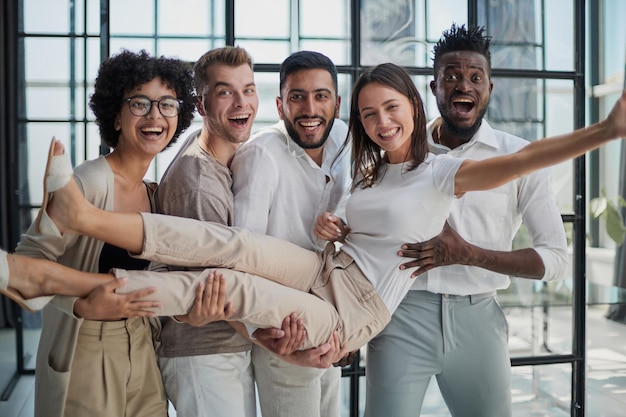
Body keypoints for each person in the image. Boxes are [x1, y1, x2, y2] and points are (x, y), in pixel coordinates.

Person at [5, 64, 626, 356]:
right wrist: (335, 225)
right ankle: (80, 217)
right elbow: (358, 227)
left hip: (351, 309)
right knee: (229, 246)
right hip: (325, 266)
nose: (380, 122)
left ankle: (61, 281)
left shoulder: (445, 172)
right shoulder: (370, 172)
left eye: (392, 108)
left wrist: (603, 132)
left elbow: (525, 160)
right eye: (368, 114)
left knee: (233, 287)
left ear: (414, 105)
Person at [363, 24, 569, 417]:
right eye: (451, 76)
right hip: (400, 315)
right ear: (434, 87)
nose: (464, 85)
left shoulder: (517, 158)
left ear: (489, 88)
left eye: (475, 77)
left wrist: (470, 254)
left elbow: (556, 259)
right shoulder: (394, 153)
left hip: (479, 322)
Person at [13, 50, 195, 417]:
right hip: (88, 345)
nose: (155, 116)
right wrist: (81, 305)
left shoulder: (155, 192)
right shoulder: (89, 181)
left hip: (143, 345)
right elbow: (26, 264)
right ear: (116, 113)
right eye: (140, 103)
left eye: (167, 104)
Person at [231, 50, 351, 417]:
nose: (310, 109)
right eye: (297, 97)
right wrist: (263, 335)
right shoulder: (261, 155)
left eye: (321, 96)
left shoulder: (345, 140)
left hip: (331, 324)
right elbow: (242, 251)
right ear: (281, 106)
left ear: (337, 102)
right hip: (285, 330)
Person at [154, 45, 259, 417]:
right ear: (200, 105)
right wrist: (279, 341)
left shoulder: (215, 153)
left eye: (248, 89)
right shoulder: (198, 183)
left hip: (223, 347)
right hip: (204, 353)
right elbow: (214, 290)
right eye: (225, 92)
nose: (241, 103)